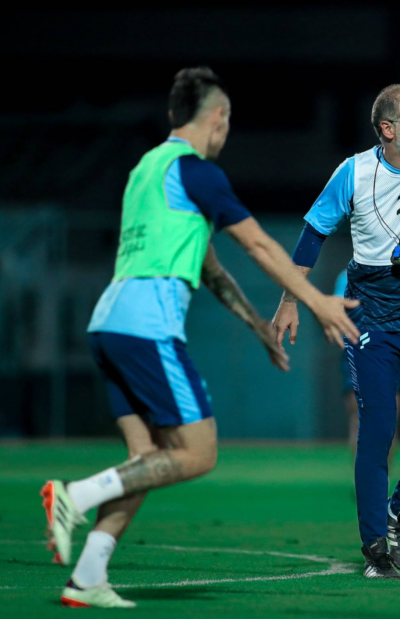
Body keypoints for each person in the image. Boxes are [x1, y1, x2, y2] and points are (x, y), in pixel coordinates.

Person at [40, 66, 360, 609]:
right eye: (228, 121)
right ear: (218, 117)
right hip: (147, 329)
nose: (227, 132)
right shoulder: (198, 172)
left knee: (144, 460)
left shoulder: (149, 168)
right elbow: (257, 244)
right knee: (199, 454)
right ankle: (74, 495)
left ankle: (88, 576)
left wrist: (256, 323)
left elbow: (208, 262)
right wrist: (317, 301)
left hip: (109, 325)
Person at [272, 85, 400, 579]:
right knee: (375, 432)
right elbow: (314, 232)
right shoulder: (352, 172)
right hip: (373, 317)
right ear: (386, 129)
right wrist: (291, 300)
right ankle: (375, 547)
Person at [333, 268, 400, 457]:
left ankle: (382, 482)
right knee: (360, 420)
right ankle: (365, 482)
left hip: (391, 354)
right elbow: (337, 313)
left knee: (388, 419)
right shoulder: (347, 276)